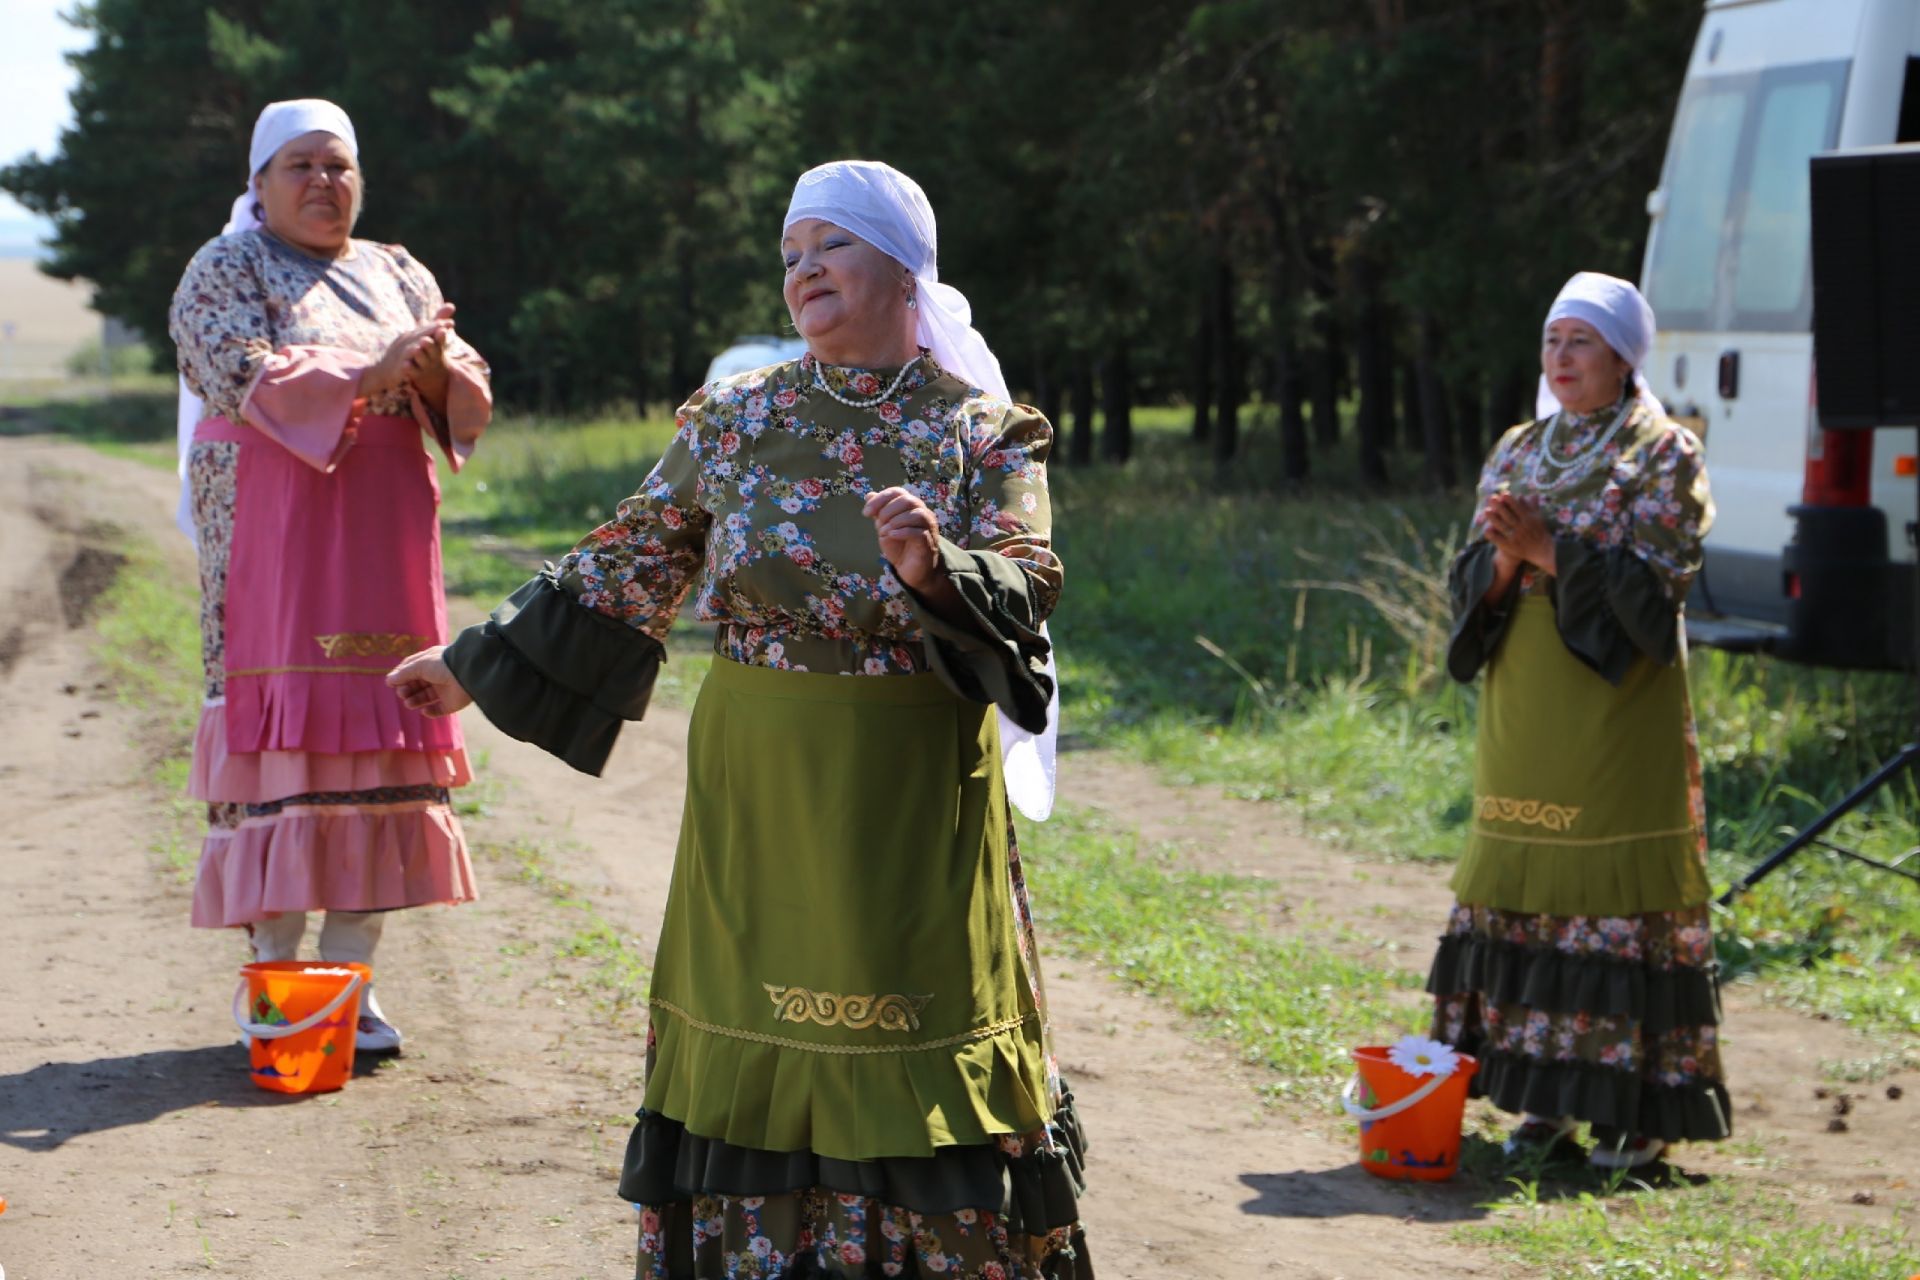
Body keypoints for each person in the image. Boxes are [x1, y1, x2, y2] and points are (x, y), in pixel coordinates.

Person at [388, 160, 1090, 1278]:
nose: (805, 269)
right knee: (758, 1010)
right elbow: (633, 554)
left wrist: (932, 563)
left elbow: (1030, 577)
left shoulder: (986, 431)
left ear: (904, 269)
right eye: (791, 252)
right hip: (758, 770)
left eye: (833, 245)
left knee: (905, 1009)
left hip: (911, 778)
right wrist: (475, 660)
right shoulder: (737, 417)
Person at [169, 99, 492, 1054]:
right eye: (301, 166)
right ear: (260, 183)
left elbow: (463, 375)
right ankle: (279, 988)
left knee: (384, 732)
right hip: (280, 539)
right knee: (284, 747)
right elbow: (231, 366)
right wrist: (370, 369)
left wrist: (429, 369)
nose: (323, 182)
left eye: (340, 166)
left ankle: (352, 987)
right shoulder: (225, 266)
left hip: (384, 539)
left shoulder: (396, 269)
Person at [1425, 271, 1728, 1171]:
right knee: (1526, 894)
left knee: (1609, 899)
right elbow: (1471, 572)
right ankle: (1544, 1098)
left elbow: (1661, 586)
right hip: (1525, 706)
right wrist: (1510, 566)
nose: (1560, 357)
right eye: (1552, 340)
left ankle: (1634, 1113)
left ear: (1623, 356)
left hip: (1614, 710)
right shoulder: (1521, 446)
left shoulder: (1663, 452)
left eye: (1581, 342)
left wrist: (1548, 550)